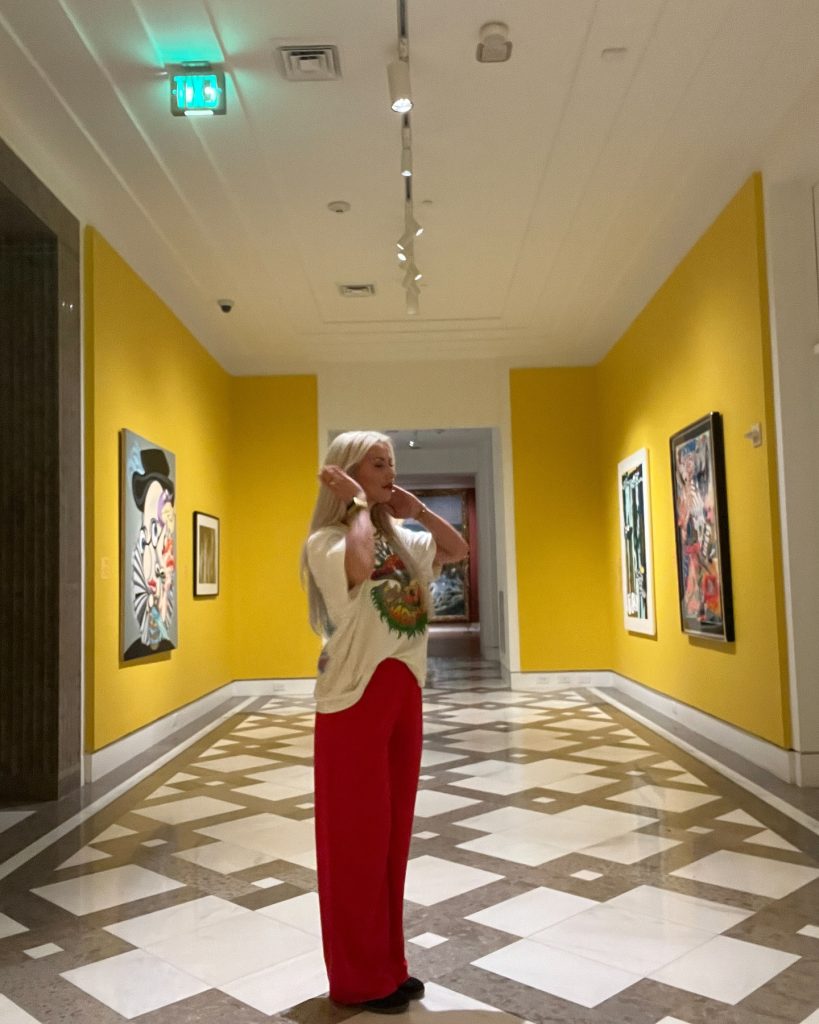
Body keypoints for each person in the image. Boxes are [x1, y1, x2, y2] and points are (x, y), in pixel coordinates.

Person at [302, 431, 469, 1015]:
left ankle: (388, 965)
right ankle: (357, 978)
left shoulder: (402, 538)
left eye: (392, 463)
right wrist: (355, 505)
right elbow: (356, 564)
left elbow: (457, 549)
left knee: (391, 840)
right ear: (351, 471)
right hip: (353, 698)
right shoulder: (328, 540)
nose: (389, 471)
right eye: (378, 463)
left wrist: (413, 507)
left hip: (404, 692)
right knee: (357, 842)